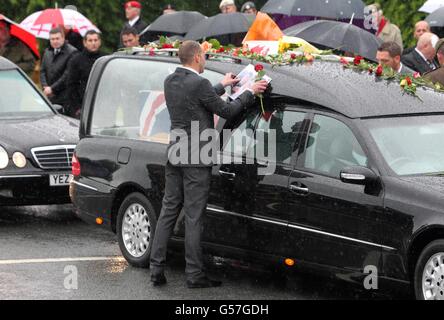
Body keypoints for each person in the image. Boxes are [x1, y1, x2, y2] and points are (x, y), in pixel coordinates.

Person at [149, 40, 268, 289]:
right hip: (197, 157)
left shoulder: (171, 81)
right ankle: (194, 274)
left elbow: (196, 97)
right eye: (203, 56)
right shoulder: (200, 84)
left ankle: (156, 269)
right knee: (194, 217)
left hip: (175, 152)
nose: (205, 60)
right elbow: (226, 111)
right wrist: (250, 92)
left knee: (168, 212)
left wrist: (223, 85)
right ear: (197, 58)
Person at [66, 30, 105, 119]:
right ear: (85, 43)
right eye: (90, 41)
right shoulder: (76, 61)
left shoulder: (105, 58)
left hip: (101, 104)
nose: (93, 43)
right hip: (82, 105)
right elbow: (71, 86)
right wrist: (77, 108)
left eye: (95, 40)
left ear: (99, 42)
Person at [40, 27, 78, 112]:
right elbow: (42, 71)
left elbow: (67, 74)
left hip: (64, 96)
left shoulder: (72, 52)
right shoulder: (47, 51)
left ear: (63, 38)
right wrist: (45, 86)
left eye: (57, 38)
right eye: (52, 39)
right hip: (49, 95)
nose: (55, 41)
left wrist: (52, 88)